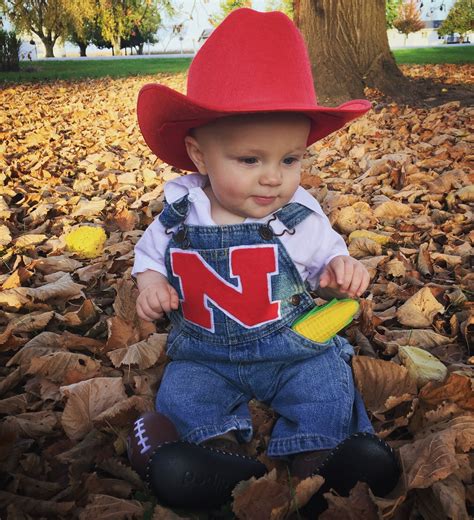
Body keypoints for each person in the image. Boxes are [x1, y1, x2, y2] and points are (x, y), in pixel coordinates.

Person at [128, 7, 400, 514]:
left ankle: (322, 460)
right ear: (200, 155)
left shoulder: (299, 217)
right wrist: (149, 284)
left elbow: (327, 265)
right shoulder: (179, 216)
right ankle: (211, 460)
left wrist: (342, 275)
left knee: (326, 384)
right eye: (250, 160)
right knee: (184, 393)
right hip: (206, 355)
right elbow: (148, 259)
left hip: (294, 347)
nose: (274, 178)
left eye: (290, 159)